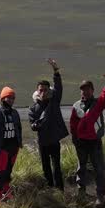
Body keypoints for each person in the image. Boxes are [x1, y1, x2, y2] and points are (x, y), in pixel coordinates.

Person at [69, 72, 105, 206]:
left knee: (98, 169)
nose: (85, 91)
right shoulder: (76, 106)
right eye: (83, 89)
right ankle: (81, 192)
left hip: (95, 142)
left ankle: (100, 196)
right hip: (81, 142)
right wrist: (74, 139)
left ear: (92, 90)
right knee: (81, 168)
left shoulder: (98, 103)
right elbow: (73, 124)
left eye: (87, 89)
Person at [29, 58, 68, 190]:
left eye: (45, 90)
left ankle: (60, 190)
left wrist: (56, 72)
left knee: (56, 167)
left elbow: (58, 87)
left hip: (54, 140)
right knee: (45, 167)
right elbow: (32, 123)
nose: (43, 92)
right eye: (41, 90)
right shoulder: (33, 108)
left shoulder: (54, 100)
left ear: (48, 90)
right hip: (42, 142)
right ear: (37, 91)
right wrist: (35, 125)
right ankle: (50, 189)